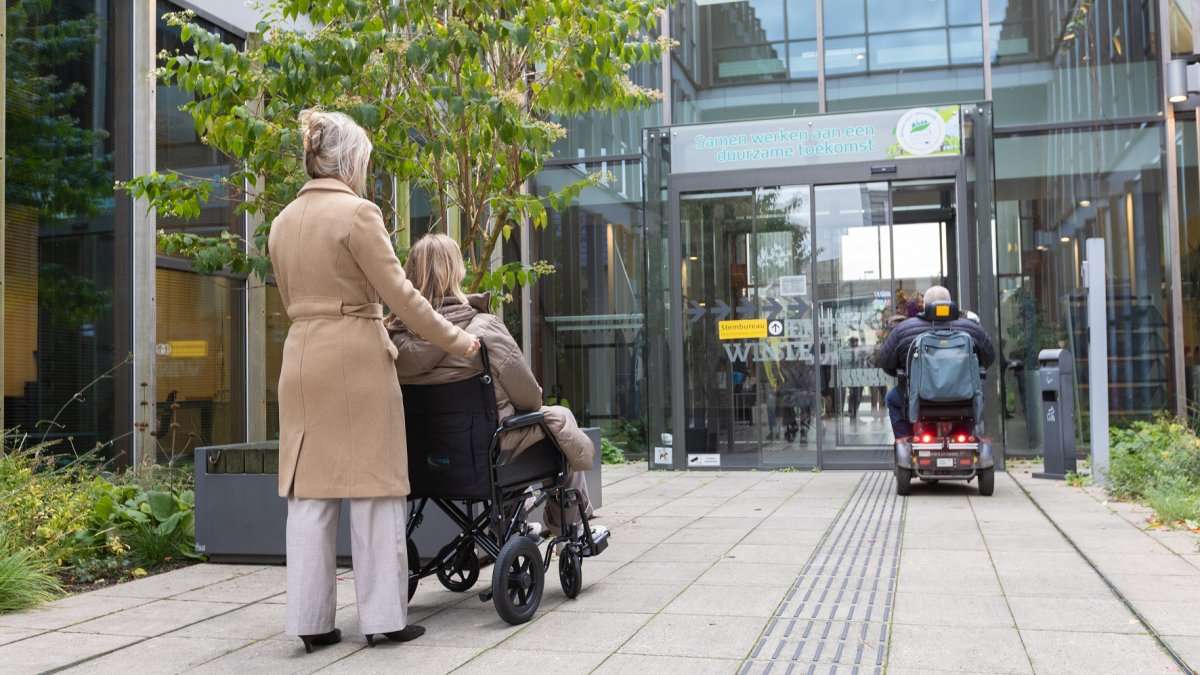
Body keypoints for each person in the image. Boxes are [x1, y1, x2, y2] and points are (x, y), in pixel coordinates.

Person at [268, 110, 480, 654]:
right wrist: (461, 342)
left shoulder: (282, 220)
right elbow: (405, 299)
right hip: (356, 356)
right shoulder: (358, 214)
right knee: (376, 488)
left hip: (300, 356)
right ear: (350, 161)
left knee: (309, 494)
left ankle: (311, 622)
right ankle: (384, 618)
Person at [388, 233, 601, 542]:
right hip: (487, 450)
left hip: (423, 457)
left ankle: (514, 526)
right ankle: (571, 529)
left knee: (511, 429)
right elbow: (529, 398)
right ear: (456, 272)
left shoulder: (393, 338)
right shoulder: (483, 328)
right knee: (558, 419)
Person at [875, 286, 995, 438]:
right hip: (964, 399)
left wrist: (905, 375)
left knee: (892, 398)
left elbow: (886, 362)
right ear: (950, 303)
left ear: (924, 306)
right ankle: (960, 436)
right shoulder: (971, 328)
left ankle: (905, 440)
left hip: (918, 400)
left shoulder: (904, 329)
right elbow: (989, 357)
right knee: (977, 398)